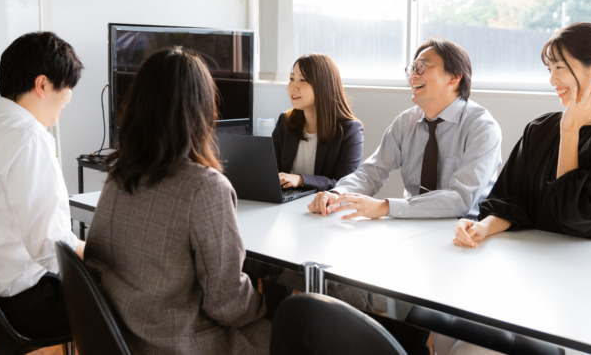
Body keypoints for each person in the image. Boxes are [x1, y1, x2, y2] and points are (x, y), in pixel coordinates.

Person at [439, 22, 591, 355]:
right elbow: (510, 200)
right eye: (549, 69)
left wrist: (570, 132)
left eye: (560, 68)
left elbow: (573, 220)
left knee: (467, 351)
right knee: (440, 334)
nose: (552, 80)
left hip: (590, 298)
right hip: (531, 280)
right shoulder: (539, 129)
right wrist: (481, 227)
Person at [85, 47, 270, 354]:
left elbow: (96, 256)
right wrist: (270, 304)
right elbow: (227, 304)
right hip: (180, 342)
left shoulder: (120, 173)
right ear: (200, 109)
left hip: (120, 336)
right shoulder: (205, 187)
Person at [308, 36, 502, 220]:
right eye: (412, 70)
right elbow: (372, 172)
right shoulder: (405, 122)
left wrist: (385, 207)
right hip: (410, 224)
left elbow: (461, 199)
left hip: (465, 231)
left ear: (454, 77)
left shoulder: (482, 127)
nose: (412, 78)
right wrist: (337, 194)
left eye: (421, 67)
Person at [0, 31, 84, 339]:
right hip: (22, 307)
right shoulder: (30, 138)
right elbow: (52, 248)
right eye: (67, 90)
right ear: (43, 84)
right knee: (131, 300)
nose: (67, 102)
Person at [272, 53, 363, 192]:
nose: (293, 87)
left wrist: (301, 180)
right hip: (285, 204)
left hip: (325, 209)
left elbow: (346, 185)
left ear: (323, 85)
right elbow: (270, 173)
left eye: (302, 80)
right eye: (292, 78)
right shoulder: (284, 122)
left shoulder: (350, 130)